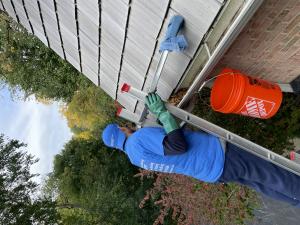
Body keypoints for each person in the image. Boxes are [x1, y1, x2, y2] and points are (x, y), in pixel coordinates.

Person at [102, 93, 300, 207]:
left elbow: (172, 146)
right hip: (220, 157)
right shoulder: (138, 139)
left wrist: (179, 118)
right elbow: (178, 146)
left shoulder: (134, 158)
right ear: (121, 129)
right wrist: (162, 113)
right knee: (272, 174)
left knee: (263, 184)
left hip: (212, 172)